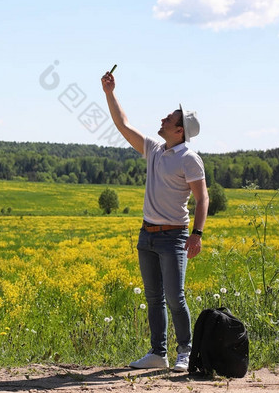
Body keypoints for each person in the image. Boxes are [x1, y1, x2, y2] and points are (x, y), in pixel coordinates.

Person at [101, 70, 209, 372]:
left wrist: (197, 234)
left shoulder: (189, 158)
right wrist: (110, 93)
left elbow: (203, 199)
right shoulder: (155, 149)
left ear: (179, 130)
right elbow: (123, 125)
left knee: (175, 297)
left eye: (169, 118)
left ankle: (185, 352)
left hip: (174, 237)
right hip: (146, 235)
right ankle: (158, 353)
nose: (162, 119)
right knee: (154, 298)